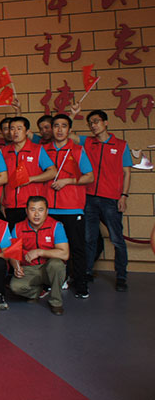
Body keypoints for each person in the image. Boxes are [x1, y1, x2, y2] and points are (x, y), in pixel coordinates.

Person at [80, 109, 132, 292]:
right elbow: (67, 135)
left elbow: (126, 173)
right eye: (90, 123)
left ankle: (121, 276)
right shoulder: (87, 142)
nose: (93, 125)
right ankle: (87, 272)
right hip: (89, 198)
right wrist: (72, 114)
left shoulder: (121, 145)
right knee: (89, 238)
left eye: (96, 121)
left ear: (106, 123)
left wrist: (123, 195)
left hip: (111, 199)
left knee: (117, 239)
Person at [43, 114, 93, 298]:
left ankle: (81, 284)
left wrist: (68, 181)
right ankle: (52, 281)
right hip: (49, 207)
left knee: (76, 247)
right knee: (50, 247)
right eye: (56, 125)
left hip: (72, 207)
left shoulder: (77, 150)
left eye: (64, 126)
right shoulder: (44, 150)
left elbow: (89, 176)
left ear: (69, 130)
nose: (59, 129)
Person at [9, 196, 70, 316]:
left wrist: (39, 252)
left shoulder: (56, 226)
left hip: (49, 268)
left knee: (57, 264)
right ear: (26, 211)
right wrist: (16, 266)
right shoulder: (18, 227)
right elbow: (12, 254)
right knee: (15, 287)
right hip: (29, 268)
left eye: (40, 210)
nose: (36, 214)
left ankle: (56, 302)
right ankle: (37, 291)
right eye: (32, 210)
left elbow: (64, 254)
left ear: (47, 211)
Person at [0, 117, 56, 229]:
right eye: (12, 129)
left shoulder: (37, 150)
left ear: (27, 131)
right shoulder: (4, 151)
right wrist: (2, 203)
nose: (15, 132)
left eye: (19, 128)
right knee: (13, 237)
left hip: (32, 206)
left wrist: (31, 179)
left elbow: (52, 172)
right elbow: (2, 179)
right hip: (10, 205)